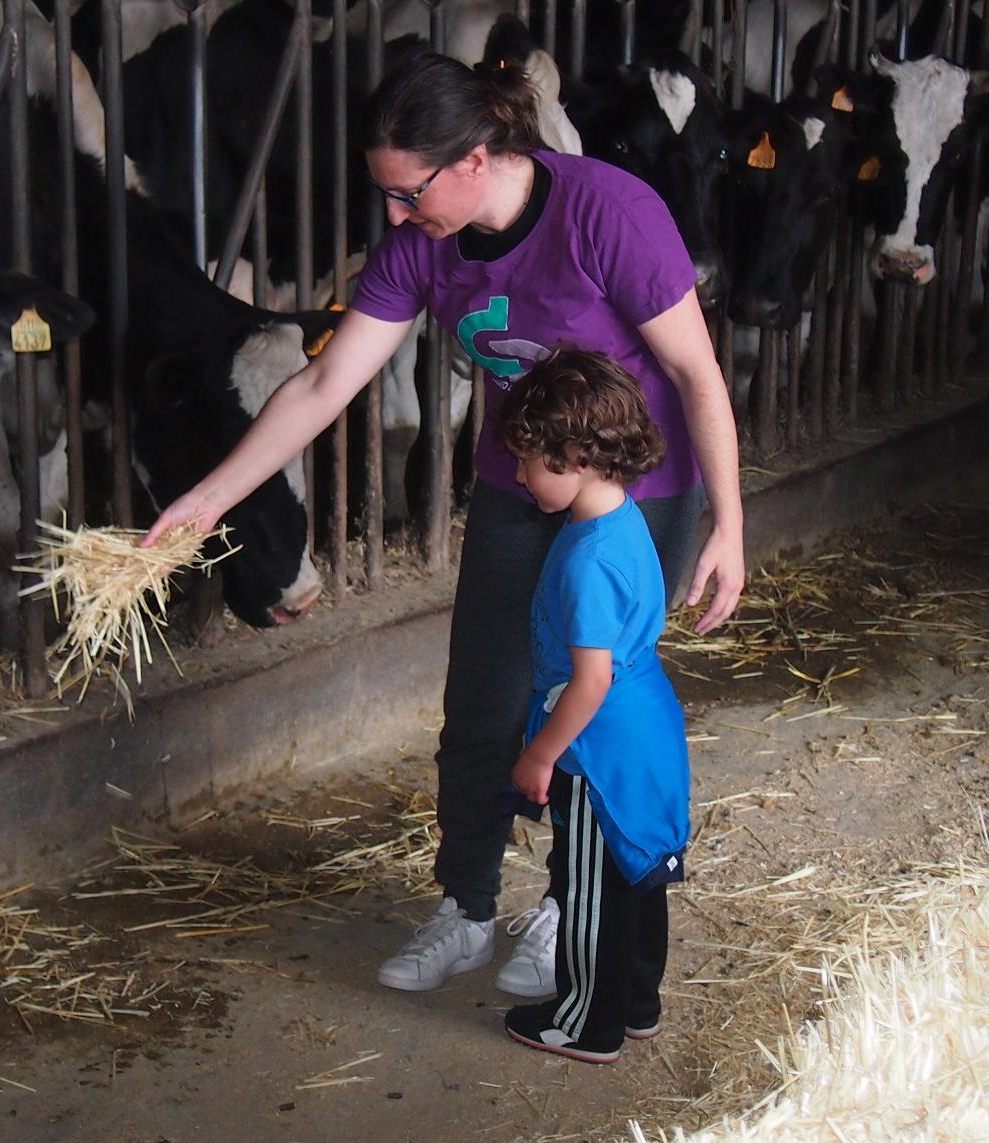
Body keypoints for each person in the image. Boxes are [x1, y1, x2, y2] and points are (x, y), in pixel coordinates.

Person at [141, 50, 743, 996]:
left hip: (639, 491)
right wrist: (209, 498)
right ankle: (466, 905)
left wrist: (728, 522)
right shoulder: (422, 243)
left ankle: (561, 903)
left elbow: (698, 375)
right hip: (518, 483)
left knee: (594, 701)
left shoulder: (610, 213)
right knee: (484, 702)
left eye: (406, 189)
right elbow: (325, 382)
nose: (393, 214)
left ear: (473, 159)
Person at [497, 349, 689, 1063]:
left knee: (587, 883)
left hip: (597, 742)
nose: (519, 477)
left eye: (528, 461)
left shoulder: (585, 560)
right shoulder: (624, 523)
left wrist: (541, 750)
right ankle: (637, 1001)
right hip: (645, 723)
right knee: (639, 870)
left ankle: (586, 1021)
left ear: (575, 454)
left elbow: (590, 680)